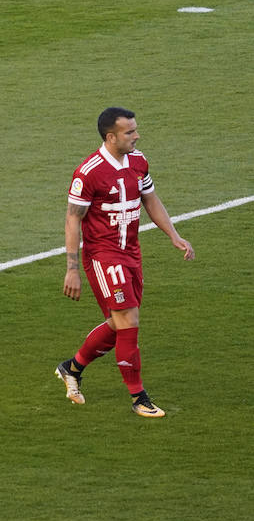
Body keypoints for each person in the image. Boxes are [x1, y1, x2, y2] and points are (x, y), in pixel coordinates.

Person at [55, 107, 194, 418]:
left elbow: (150, 199)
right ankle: (138, 397)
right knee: (129, 321)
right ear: (111, 136)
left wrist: (173, 234)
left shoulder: (139, 161)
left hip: (131, 252)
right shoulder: (88, 172)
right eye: (130, 132)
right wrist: (72, 268)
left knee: (118, 325)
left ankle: (71, 368)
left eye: (135, 130)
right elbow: (72, 219)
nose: (137, 135)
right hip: (103, 256)